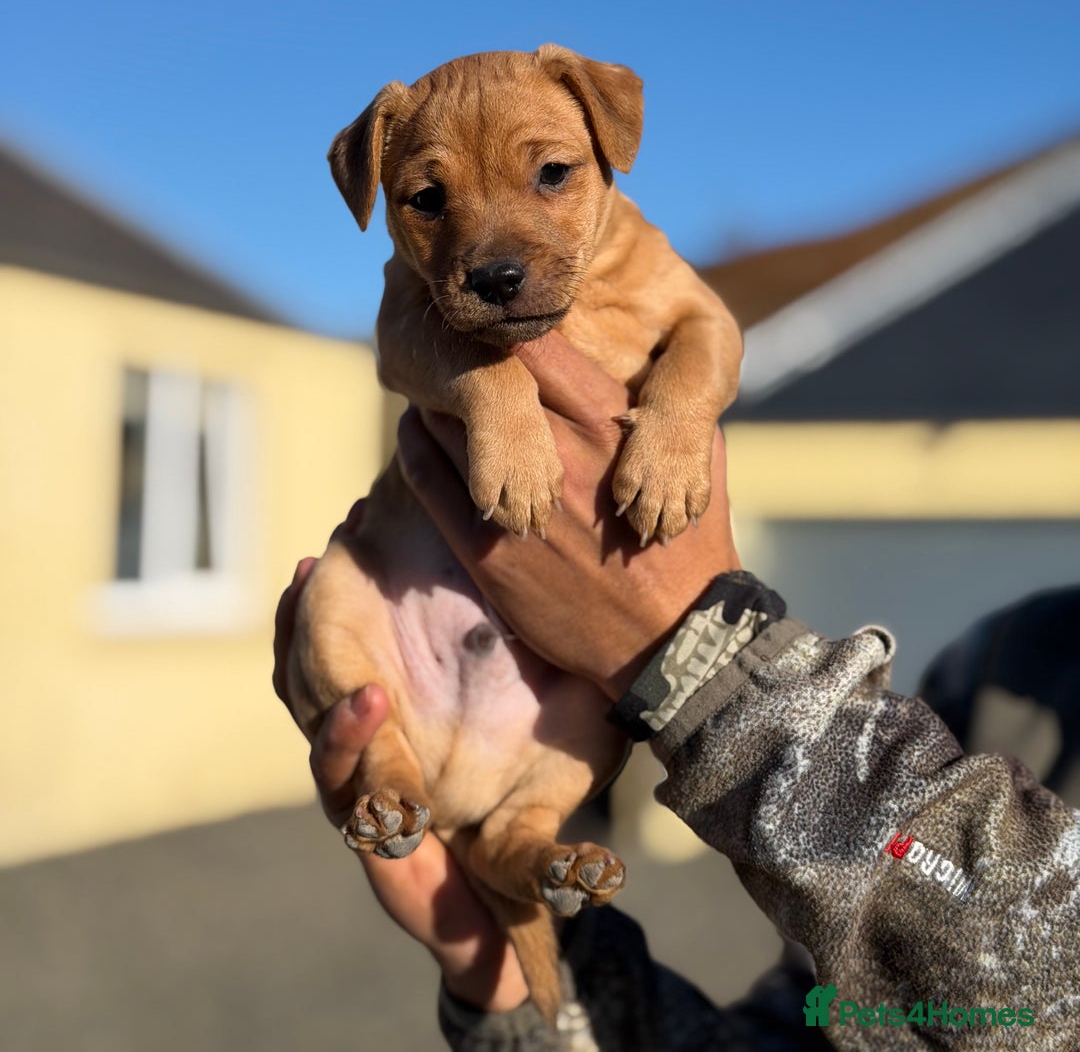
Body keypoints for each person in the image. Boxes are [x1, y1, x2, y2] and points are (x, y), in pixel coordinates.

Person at [273, 334, 1080, 1050]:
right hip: (422, 649)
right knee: (337, 615)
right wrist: (523, 994)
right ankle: (504, 835)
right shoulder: (1008, 662)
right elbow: (839, 1027)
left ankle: (517, 834)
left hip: (516, 706)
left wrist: (705, 659)